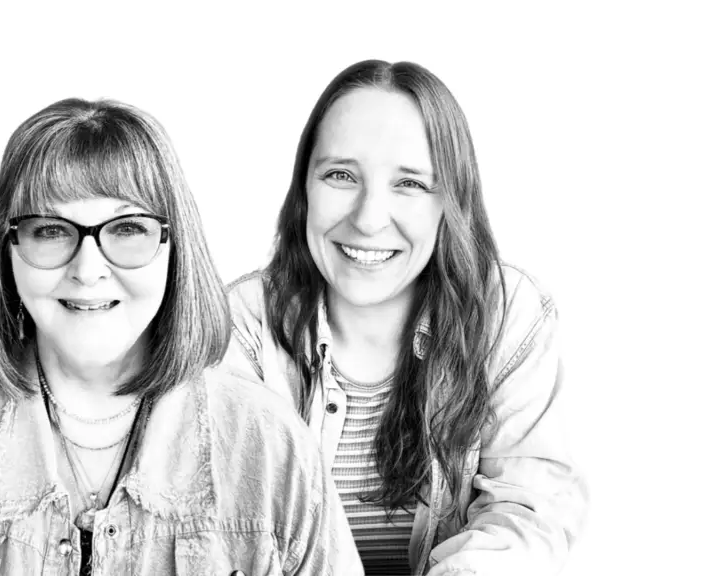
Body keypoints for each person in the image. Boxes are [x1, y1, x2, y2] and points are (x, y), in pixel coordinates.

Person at [0, 98, 362, 575]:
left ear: (175, 247)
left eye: (127, 229)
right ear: (6, 250)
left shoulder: (273, 447)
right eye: (50, 231)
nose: (88, 270)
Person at [220, 60, 589, 576]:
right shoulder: (241, 326)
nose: (369, 219)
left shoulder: (508, 315)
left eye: (410, 183)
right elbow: (227, 532)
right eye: (341, 175)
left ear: (450, 202)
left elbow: (527, 513)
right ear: (304, 189)